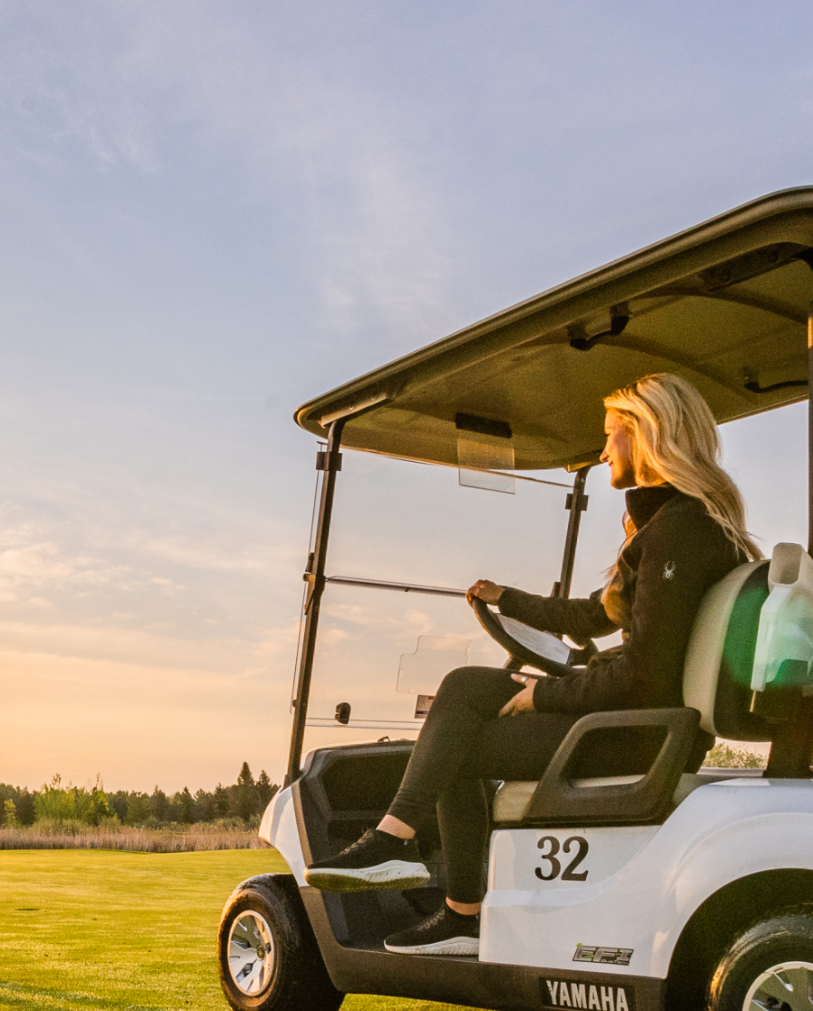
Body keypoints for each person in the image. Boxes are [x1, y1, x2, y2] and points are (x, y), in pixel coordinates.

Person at [304, 371, 761, 955]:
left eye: (610, 436)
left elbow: (645, 675)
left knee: (455, 748)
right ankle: (405, 851)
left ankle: (444, 896)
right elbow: (599, 616)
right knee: (466, 686)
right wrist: (509, 601)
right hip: (637, 716)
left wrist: (543, 695)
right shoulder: (676, 527)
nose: (602, 451)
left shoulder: (678, 533)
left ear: (645, 436)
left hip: (637, 733)